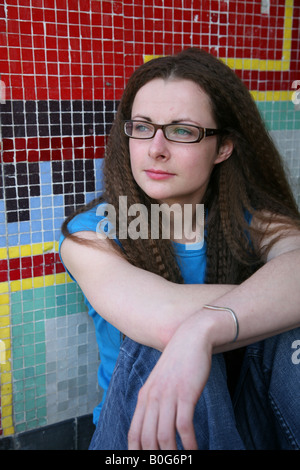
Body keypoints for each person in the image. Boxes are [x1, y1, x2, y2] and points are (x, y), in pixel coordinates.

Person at [59, 48, 300, 450]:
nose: (156, 148)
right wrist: (262, 307)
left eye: (182, 131)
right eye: (142, 127)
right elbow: (165, 319)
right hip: (137, 440)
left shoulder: (254, 221)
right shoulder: (91, 235)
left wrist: (204, 329)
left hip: (247, 427)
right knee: (161, 340)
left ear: (222, 147)